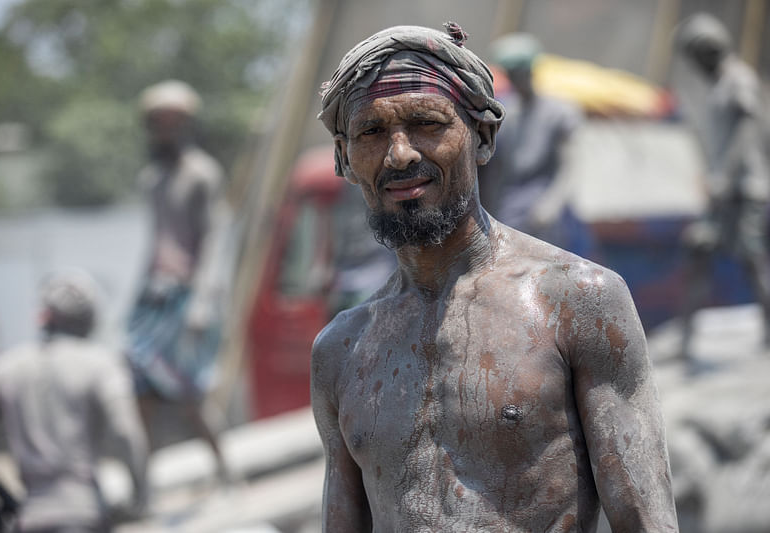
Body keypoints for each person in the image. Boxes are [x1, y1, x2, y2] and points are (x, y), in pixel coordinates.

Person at [312, 23, 678, 532]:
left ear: (482, 137)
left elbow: (645, 520)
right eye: (372, 132)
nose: (400, 155)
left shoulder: (577, 302)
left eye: (426, 123)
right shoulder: (341, 351)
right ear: (344, 158)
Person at [0, 272, 148, 532]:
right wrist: (140, 498)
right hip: (84, 513)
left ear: (44, 317)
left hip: (29, 516)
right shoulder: (101, 365)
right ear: (90, 320)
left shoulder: (6, 367)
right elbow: (126, 432)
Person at [126, 80, 230, 479]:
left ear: (186, 124)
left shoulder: (201, 174)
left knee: (191, 395)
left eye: (173, 122)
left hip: (188, 298)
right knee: (140, 393)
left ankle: (224, 472)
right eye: (158, 123)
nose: (165, 131)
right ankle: (143, 483)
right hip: (155, 297)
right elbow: (156, 244)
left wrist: (202, 303)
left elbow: (211, 240)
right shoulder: (152, 179)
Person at [674, 14, 770, 362]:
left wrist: (727, 176)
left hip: (744, 189)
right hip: (723, 191)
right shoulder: (717, 84)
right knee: (700, 252)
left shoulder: (738, 79)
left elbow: (746, 130)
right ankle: (686, 340)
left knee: (752, 259)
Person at [478, 33, 595, 259]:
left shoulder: (558, 112)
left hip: (545, 213)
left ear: (530, 70)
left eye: (519, 71)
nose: (515, 78)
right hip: (507, 209)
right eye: (510, 73)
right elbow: (494, 167)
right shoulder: (505, 112)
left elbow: (570, 166)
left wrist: (551, 204)